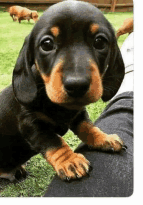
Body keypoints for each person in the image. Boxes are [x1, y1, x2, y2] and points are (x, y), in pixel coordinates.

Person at [44, 33, 134, 197]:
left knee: (120, 114)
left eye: (99, 43)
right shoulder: (31, 96)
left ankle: (128, 95)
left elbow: (76, 115)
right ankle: (130, 94)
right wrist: (62, 156)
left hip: (14, 159)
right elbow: (30, 124)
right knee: (128, 113)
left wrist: (93, 135)